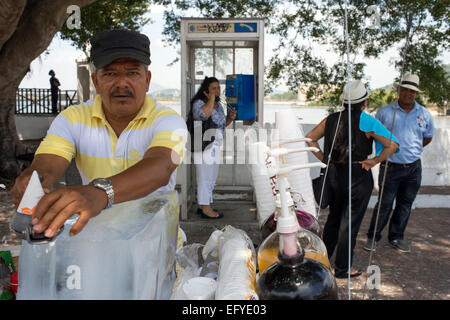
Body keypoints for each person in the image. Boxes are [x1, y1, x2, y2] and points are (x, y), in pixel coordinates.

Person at [12, 29, 188, 238]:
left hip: (156, 243)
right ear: (96, 81)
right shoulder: (73, 118)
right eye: (110, 74)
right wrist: (35, 181)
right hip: (97, 243)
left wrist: (100, 193)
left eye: (132, 73)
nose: (122, 83)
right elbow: (48, 163)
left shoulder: (168, 120)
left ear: (147, 80)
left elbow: (162, 167)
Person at [306, 80, 399, 278]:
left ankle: (321, 263)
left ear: (344, 102)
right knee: (350, 224)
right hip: (357, 177)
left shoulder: (330, 120)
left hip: (333, 176)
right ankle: (342, 268)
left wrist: (325, 158)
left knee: (333, 221)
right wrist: (374, 161)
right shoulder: (367, 121)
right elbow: (392, 145)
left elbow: (310, 138)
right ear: (364, 102)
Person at [364, 74, 434, 253]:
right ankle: (373, 237)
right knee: (384, 204)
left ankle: (396, 237)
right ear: (399, 90)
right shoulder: (385, 112)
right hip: (390, 166)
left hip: (413, 168)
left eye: (412, 91)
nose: (408, 94)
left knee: (405, 205)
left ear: (416, 94)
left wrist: (411, 151)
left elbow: (426, 138)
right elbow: (375, 135)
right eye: (405, 90)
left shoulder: (425, 114)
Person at [188, 76, 237, 219]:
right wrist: (210, 99)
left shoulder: (219, 105)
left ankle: (203, 205)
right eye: (213, 88)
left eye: (218, 88)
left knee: (212, 176)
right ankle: (206, 208)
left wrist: (230, 118)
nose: (217, 91)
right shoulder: (199, 103)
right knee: (205, 177)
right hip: (202, 145)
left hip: (214, 145)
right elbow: (204, 114)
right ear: (206, 91)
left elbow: (222, 125)